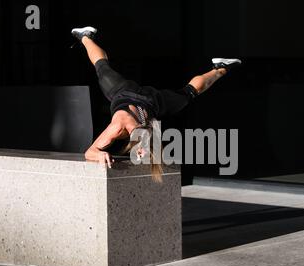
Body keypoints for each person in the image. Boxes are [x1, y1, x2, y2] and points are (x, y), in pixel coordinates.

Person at [72, 26, 242, 182]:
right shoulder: (131, 129)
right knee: (102, 67)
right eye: (143, 151)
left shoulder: (126, 127)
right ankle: (85, 37)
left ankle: (221, 68)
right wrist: (98, 153)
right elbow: (91, 152)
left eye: (140, 151)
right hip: (144, 99)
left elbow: (90, 152)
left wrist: (99, 154)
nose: (140, 154)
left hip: (138, 96)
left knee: (188, 92)